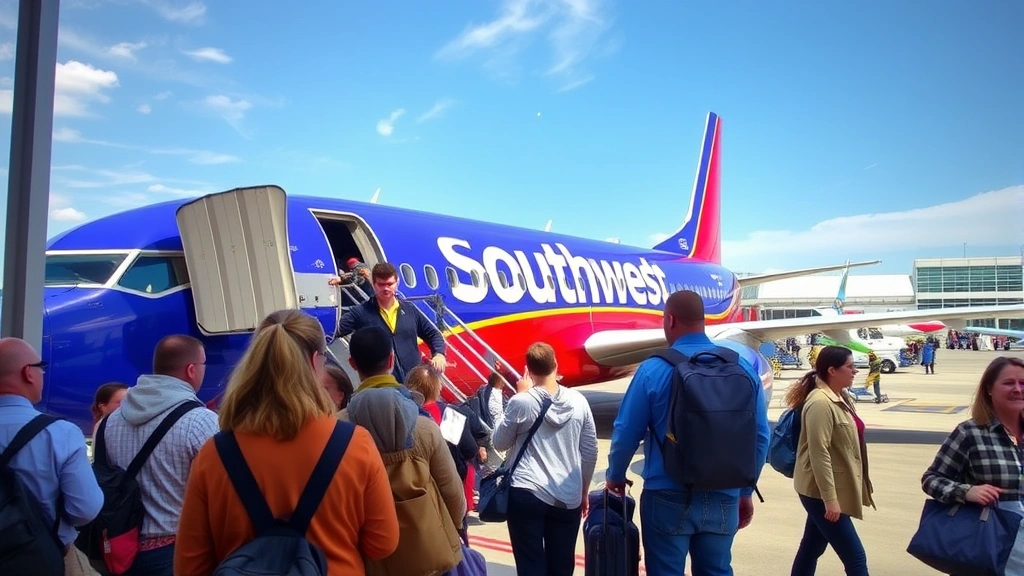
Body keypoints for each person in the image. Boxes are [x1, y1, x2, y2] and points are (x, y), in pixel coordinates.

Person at [174, 309, 400, 574]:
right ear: (315, 360)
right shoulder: (354, 444)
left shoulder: (214, 455)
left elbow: (189, 566)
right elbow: (382, 543)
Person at [605, 290, 770, 576]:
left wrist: (615, 475)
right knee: (717, 570)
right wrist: (745, 490)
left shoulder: (652, 369)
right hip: (725, 493)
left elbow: (625, 431)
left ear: (670, 320)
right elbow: (760, 436)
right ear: (703, 321)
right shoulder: (741, 366)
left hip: (667, 491)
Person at [99, 335, 220, 575]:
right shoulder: (201, 421)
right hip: (180, 552)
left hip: (121, 552)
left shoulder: (110, 422)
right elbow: (220, 494)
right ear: (191, 370)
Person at [492, 342, 598, 576]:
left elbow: (499, 442)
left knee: (530, 564)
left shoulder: (522, 402)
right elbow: (590, 450)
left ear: (528, 371)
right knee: (561, 566)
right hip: (567, 495)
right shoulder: (579, 401)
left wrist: (514, 396)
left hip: (527, 491)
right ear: (556, 365)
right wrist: (583, 490)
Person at [0, 337, 104, 575]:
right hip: (40, 558)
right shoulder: (60, 433)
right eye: (41, 368)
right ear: (28, 373)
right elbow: (85, 509)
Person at [920, 356, 1024, 573]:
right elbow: (931, 479)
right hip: (991, 546)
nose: (1017, 389)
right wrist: (966, 491)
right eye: (1008, 383)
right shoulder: (970, 432)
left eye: (1023, 383)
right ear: (989, 389)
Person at [785, 345, 875, 576]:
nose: (855, 371)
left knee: (811, 548)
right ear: (832, 370)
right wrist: (830, 500)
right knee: (855, 557)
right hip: (821, 492)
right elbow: (819, 452)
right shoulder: (820, 403)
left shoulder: (837, 396)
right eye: (850, 366)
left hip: (830, 488)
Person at [334, 262, 447, 382]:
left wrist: (439, 354)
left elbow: (433, 334)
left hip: (414, 385)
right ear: (374, 284)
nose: (386, 288)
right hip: (382, 389)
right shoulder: (360, 313)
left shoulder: (410, 310)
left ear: (397, 283)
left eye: (390, 284)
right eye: (381, 285)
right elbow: (332, 331)